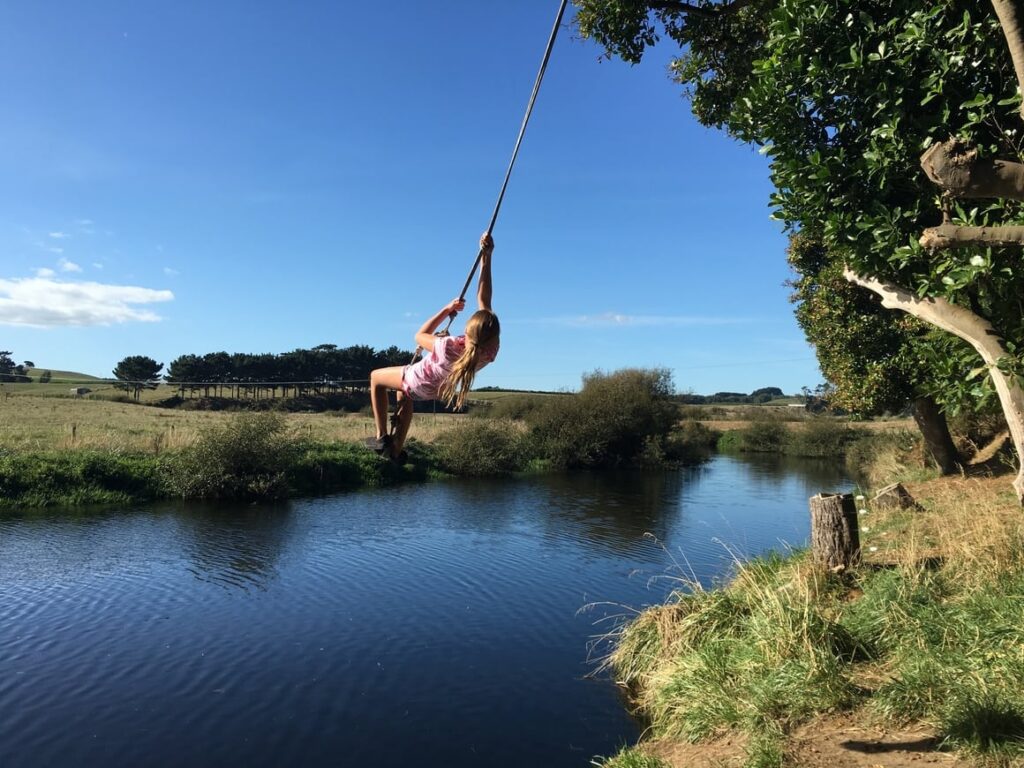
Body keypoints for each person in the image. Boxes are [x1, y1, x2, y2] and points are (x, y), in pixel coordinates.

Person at [365, 233, 500, 460]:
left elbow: (419, 335)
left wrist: (446, 310)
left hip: (419, 381)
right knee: (403, 395)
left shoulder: (447, 346)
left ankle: (381, 437)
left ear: (467, 331)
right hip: (436, 390)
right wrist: (486, 258)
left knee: (376, 379)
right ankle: (396, 448)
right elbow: (485, 301)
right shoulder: (489, 351)